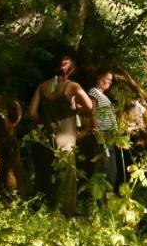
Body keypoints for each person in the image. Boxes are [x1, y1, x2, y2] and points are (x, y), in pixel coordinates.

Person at [28, 54, 94, 216]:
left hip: (46, 137)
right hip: (65, 137)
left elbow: (32, 113)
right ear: (71, 71)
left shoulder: (42, 87)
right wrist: (75, 109)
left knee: (45, 173)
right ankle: (63, 213)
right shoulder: (72, 86)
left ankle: (41, 210)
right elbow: (90, 107)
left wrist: (46, 121)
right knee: (66, 175)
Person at [87, 69, 129, 192]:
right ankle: (99, 202)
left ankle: (107, 199)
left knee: (112, 169)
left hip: (110, 135)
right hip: (103, 134)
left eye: (111, 81)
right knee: (104, 168)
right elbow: (92, 113)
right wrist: (97, 132)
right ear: (100, 78)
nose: (110, 83)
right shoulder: (93, 92)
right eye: (108, 79)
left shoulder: (104, 96)